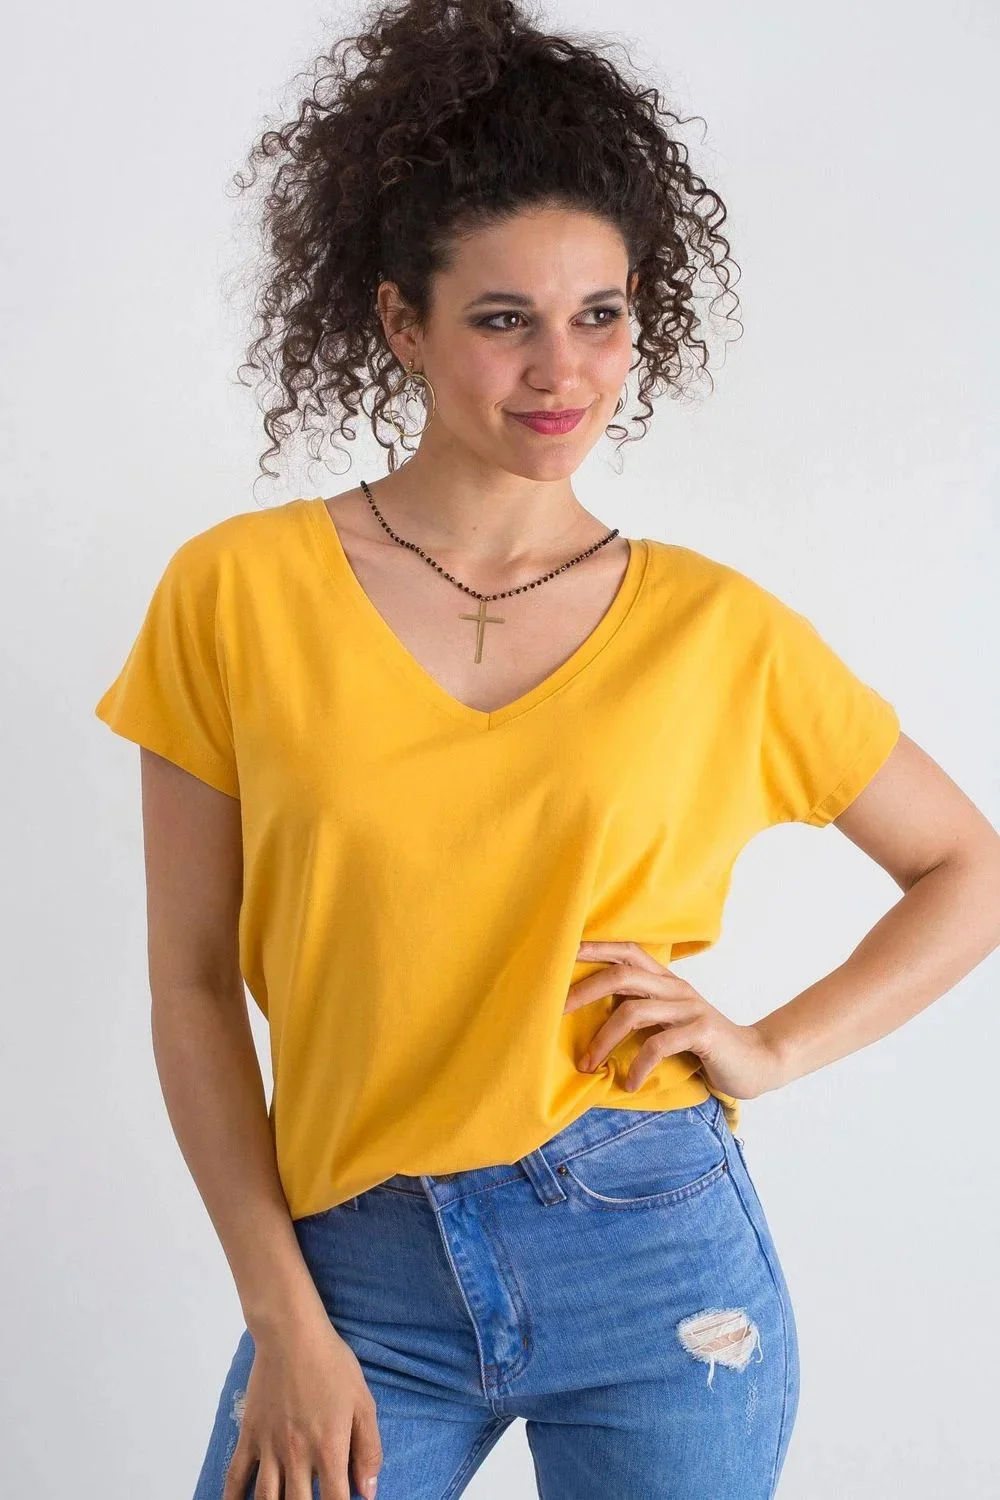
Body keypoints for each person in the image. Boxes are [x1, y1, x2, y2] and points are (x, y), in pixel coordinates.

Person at [93, 2, 1000, 1498]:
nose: (562, 370)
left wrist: (771, 1048)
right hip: (355, 1270)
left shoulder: (717, 630)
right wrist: (285, 1320)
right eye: (504, 319)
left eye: (602, 315)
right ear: (402, 323)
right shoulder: (236, 592)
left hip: (657, 1252)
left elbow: (968, 866)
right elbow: (190, 982)